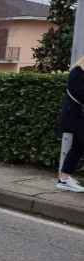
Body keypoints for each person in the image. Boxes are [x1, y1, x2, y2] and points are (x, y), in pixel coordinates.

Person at [57, 56, 84, 192]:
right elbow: (80, 93)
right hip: (76, 116)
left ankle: (64, 178)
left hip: (78, 116)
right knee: (79, 147)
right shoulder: (78, 72)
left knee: (77, 148)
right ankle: (64, 179)